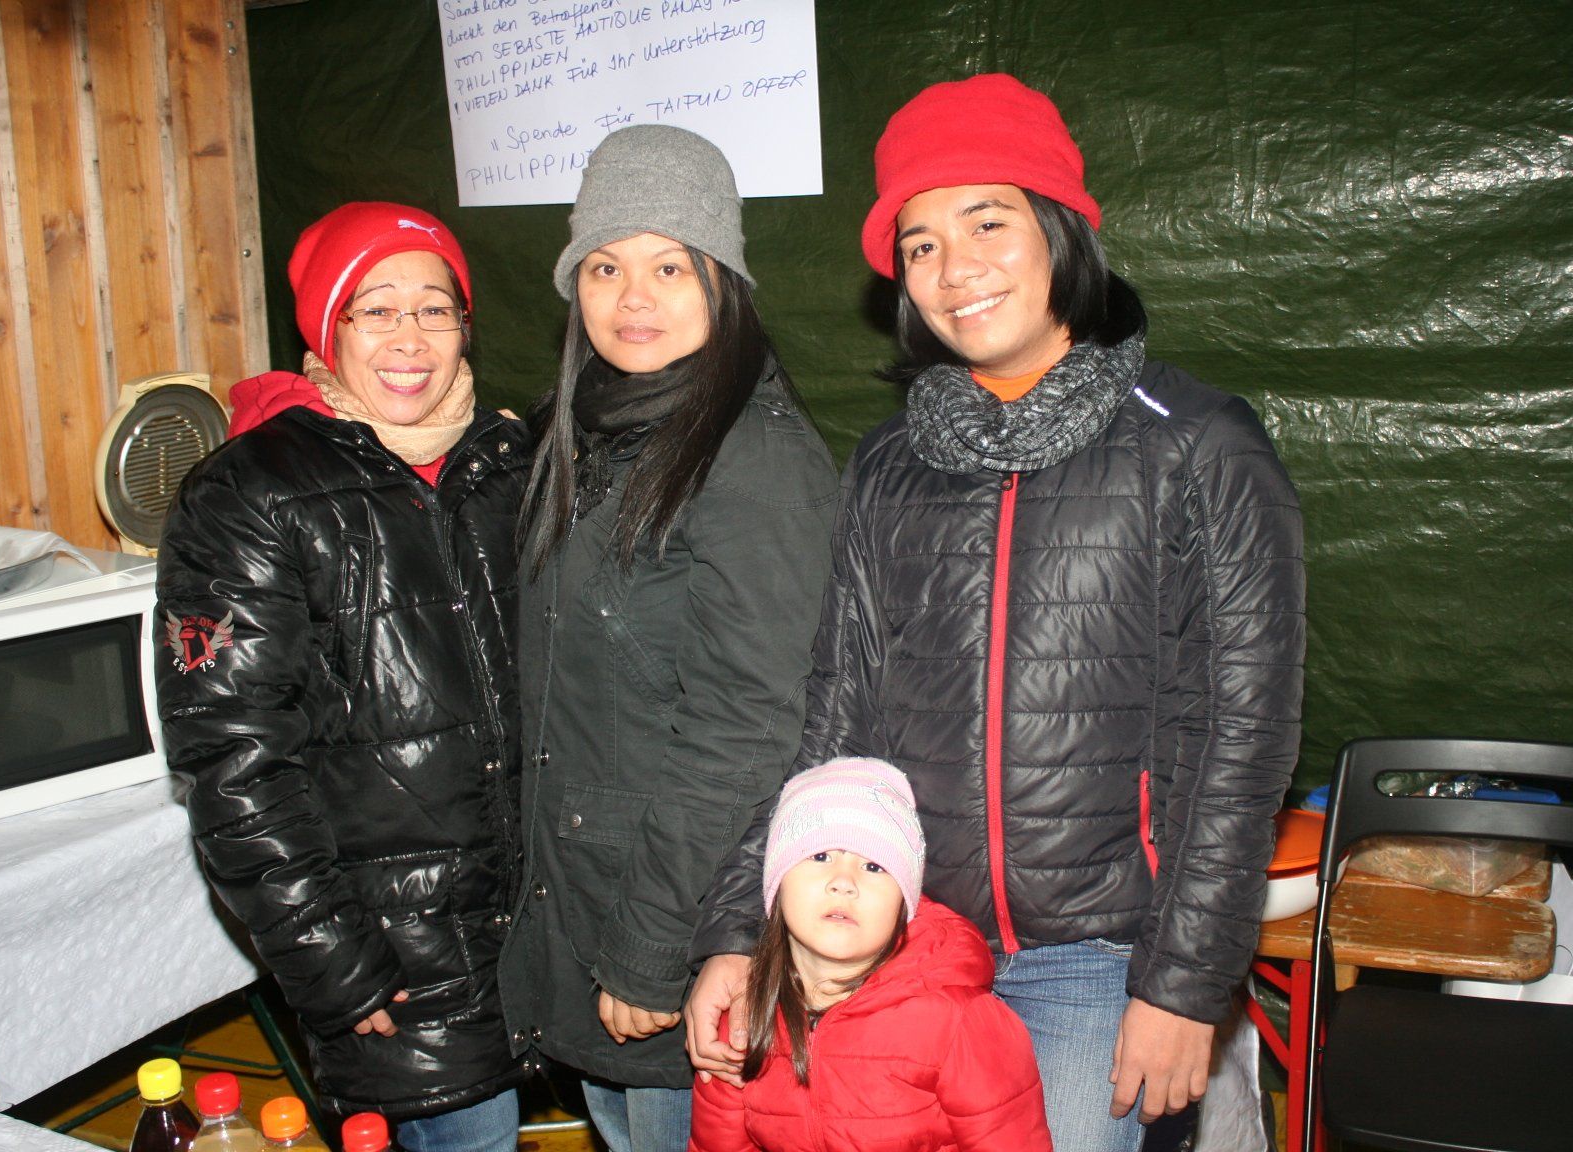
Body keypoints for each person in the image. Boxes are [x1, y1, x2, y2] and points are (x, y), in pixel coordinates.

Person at [686, 73, 1306, 1151]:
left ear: (1061, 231)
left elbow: (1244, 737)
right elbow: (838, 721)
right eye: (920, 244)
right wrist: (744, 930)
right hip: (910, 939)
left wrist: (1184, 983)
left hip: (1104, 954)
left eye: (987, 223)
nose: (954, 268)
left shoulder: (1198, 445)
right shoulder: (890, 463)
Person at [156, 203, 531, 1150]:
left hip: (545, 930)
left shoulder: (508, 463)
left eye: (435, 308)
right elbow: (232, 761)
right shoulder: (248, 493)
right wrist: (330, 959)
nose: (410, 338)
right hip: (397, 963)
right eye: (376, 309)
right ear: (328, 329)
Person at [500, 125, 839, 1152]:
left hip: (677, 931)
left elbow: (748, 728)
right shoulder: (590, 434)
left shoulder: (754, 459)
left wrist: (652, 946)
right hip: (590, 907)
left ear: (722, 283)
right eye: (605, 266)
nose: (632, 297)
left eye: (669, 266)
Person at [689, 758, 1053, 1152]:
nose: (844, 882)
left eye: (874, 866)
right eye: (820, 856)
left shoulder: (960, 1023)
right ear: (776, 883)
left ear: (903, 904)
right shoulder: (743, 1016)